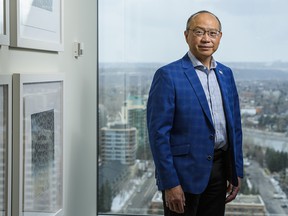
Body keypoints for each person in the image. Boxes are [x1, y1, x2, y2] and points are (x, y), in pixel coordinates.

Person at [146, 10, 243, 216]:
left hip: (219, 171)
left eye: (212, 33)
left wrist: (236, 171)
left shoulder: (226, 74)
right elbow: (158, 135)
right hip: (182, 176)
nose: (206, 38)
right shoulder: (167, 75)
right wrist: (170, 183)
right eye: (199, 32)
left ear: (220, 37)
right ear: (186, 35)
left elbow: (235, 127)